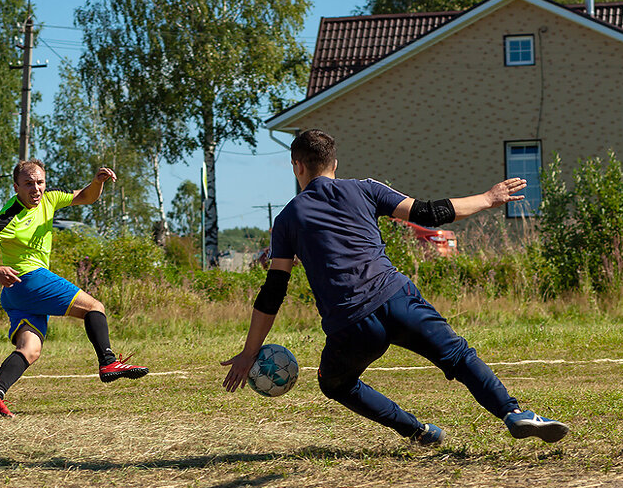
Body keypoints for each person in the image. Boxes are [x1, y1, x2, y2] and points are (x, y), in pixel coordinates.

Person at [221, 129, 568, 446]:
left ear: (296, 166)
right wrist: (488, 198)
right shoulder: (366, 188)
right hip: (397, 298)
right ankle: (514, 413)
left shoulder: (287, 218)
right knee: (459, 356)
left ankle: (417, 431)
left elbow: (273, 292)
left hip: (351, 324)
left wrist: (250, 351)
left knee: (335, 384)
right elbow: (430, 213)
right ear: (334, 164)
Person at [0, 160, 149, 417]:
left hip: (16, 295)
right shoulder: (10, 216)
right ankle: (108, 362)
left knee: (30, 349)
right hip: (30, 280)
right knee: (94, 307)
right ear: (16, 186)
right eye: (28, 183)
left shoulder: (50, 200)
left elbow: (86, 197)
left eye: (40, 182)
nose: (36, 189)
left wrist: (97, 182)